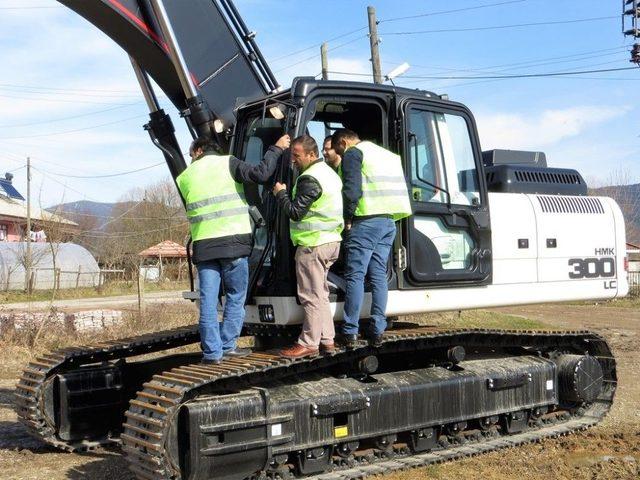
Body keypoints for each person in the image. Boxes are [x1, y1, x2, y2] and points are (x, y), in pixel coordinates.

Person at [177, 134, 290, 364]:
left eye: (191, 155)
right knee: (235, 297)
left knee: (208, 302)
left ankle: (212, 354)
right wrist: (276, 148)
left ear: (198, 151)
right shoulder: (228, 163)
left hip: (205, 247)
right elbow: (261, 173)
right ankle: (228, 346)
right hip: (233, 246)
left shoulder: (184, 177)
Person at [332, 129, 412, 348]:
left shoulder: (354, 153)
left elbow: (352, 190)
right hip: (388, 221)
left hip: (365, 221)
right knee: (377, 275)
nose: (338, 154)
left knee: (355, 276)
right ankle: (377, 330)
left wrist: (347, 217)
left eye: (338, 148)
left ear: (343, 142)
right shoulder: (387, 155)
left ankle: (350, 331)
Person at [273, 135, 343, 358]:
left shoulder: (309, 179)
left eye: (297, 155)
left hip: (313, 244)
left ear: (311, 155)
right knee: (320, 294)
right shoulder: (329, 174)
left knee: (310, 296)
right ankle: (327, 339)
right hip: (330, 240)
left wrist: (281, 193)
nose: (293, 160)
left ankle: (309, 343)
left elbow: (295, 211)